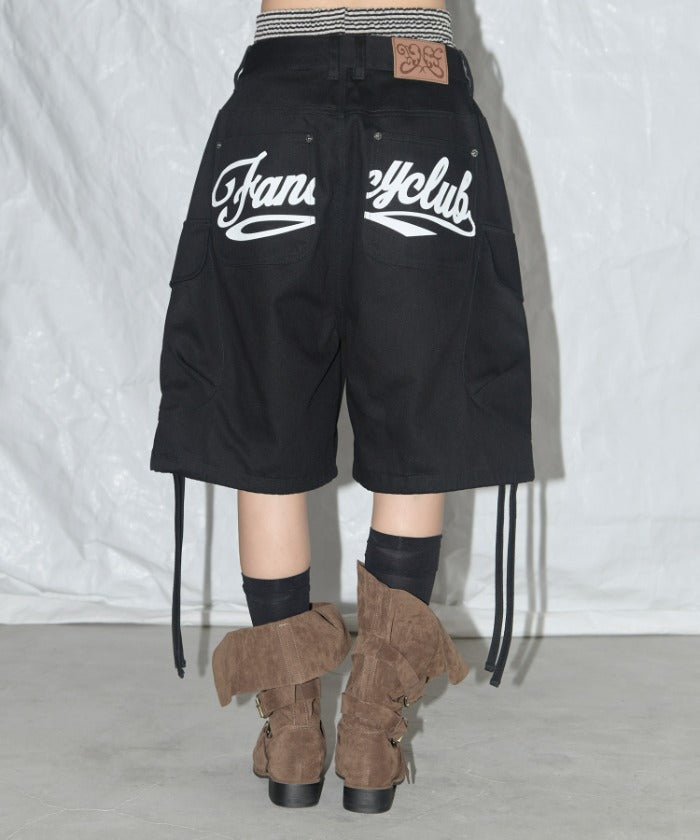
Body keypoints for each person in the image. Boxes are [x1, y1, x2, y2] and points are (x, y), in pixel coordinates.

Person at [149, 0, 535, 814]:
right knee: (419, 422)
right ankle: (370, 738)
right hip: (419, 97)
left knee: (265, 425)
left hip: (278, 106)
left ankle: (293, 736)